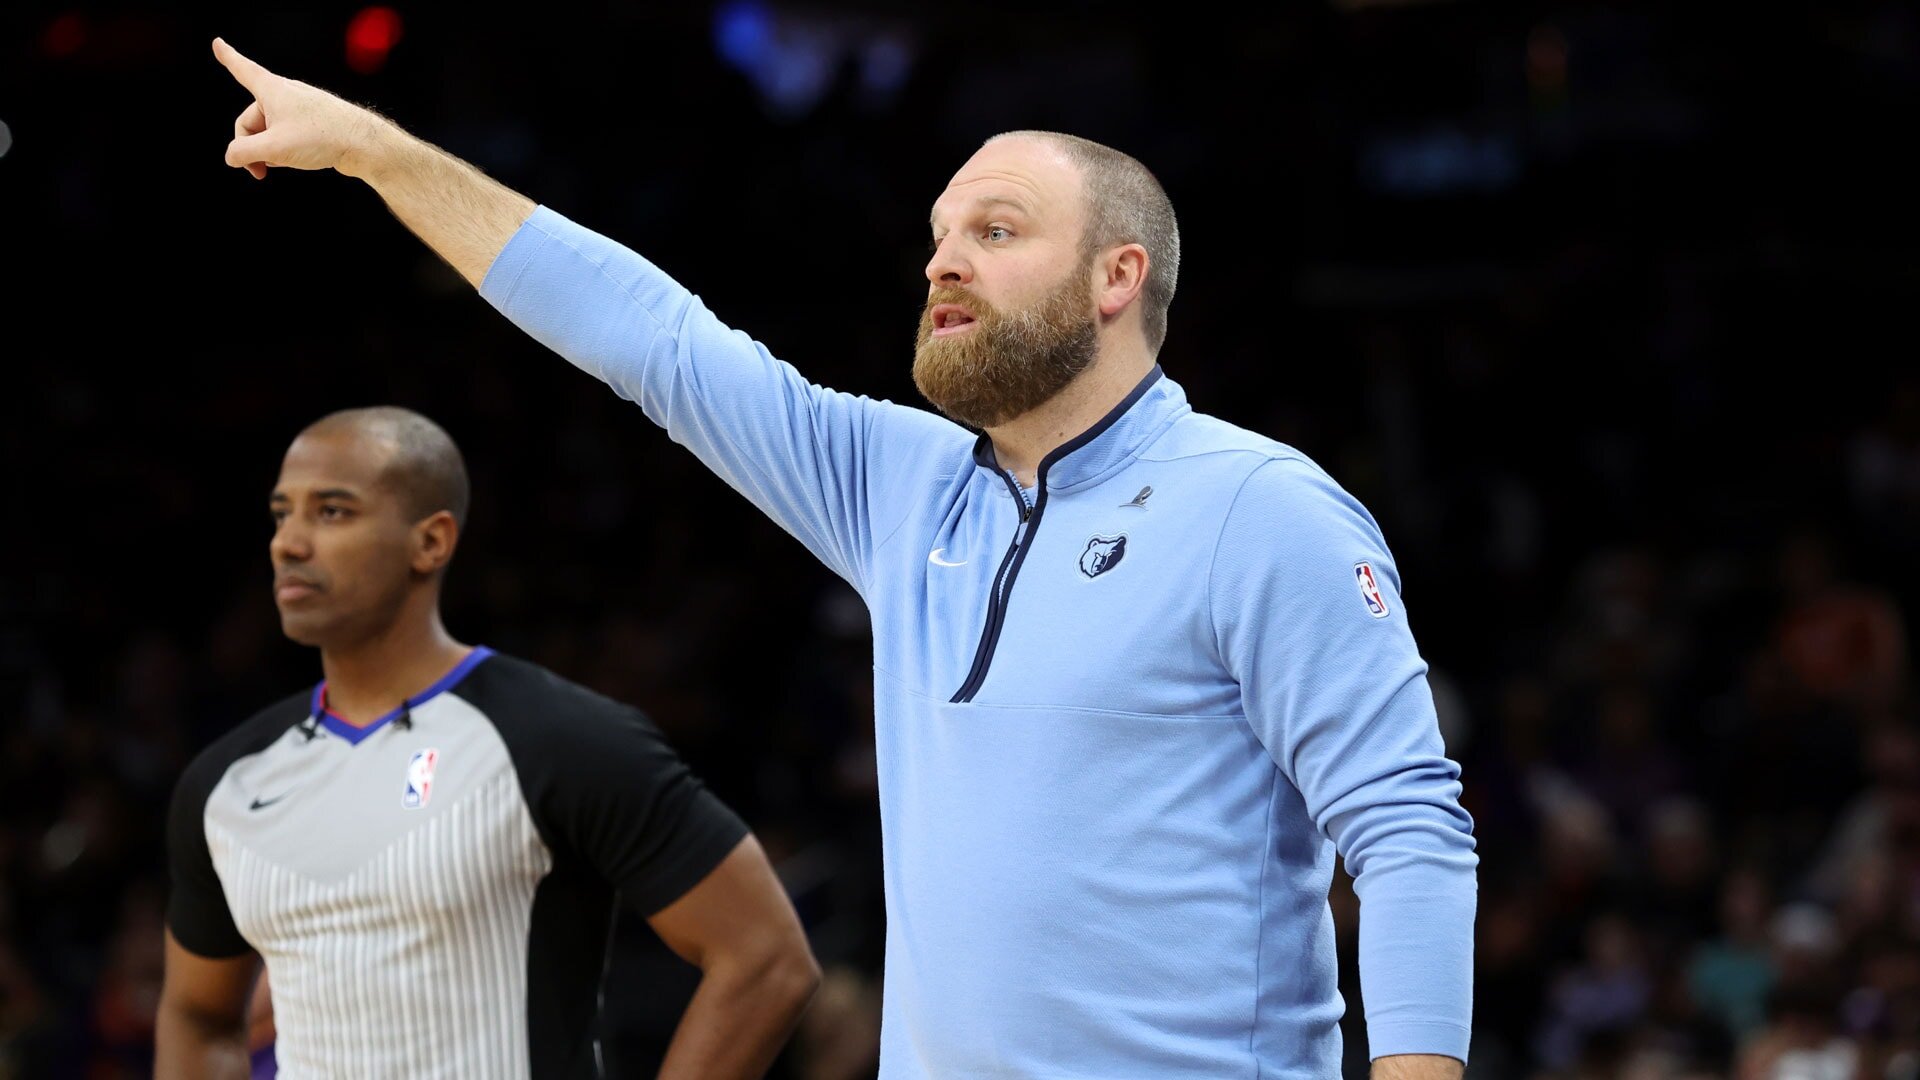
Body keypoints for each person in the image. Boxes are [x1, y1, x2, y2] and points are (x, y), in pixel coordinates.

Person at [208, 36, 1479, 1078]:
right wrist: (376, 154)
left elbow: (1408, 829)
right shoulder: (901, 483)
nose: (941, 259)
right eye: (938, 232)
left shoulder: (1260, 508)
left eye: (995, 229)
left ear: (1116, 276)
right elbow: (650, 338)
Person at [155, 406, 820, 1079]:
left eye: (331, 512)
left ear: (431, 542)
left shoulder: (557, 738)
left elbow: (767, 959)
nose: (288, 543)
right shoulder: (226, 781)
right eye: (282, 514)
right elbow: (197, 1016)